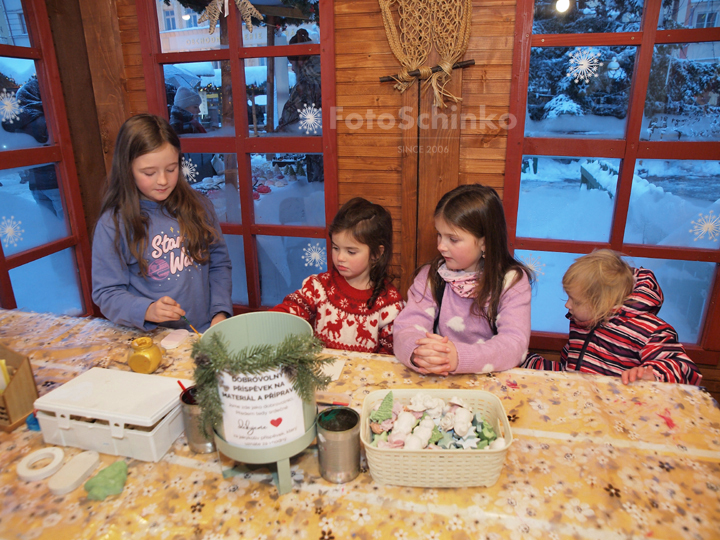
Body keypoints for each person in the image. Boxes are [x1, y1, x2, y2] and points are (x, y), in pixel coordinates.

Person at [92, 114, 232, 333]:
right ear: (127, 168)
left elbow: (219, 264)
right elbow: (107, 293)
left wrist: (220, 312)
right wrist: (146, 310)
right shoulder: (114, 224)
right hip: (150, 339)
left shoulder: (199, 206)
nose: (163, 180)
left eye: (171, 169)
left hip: (204, 331)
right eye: (149, 172)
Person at [393, 184, 533, 376]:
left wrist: (459, 357)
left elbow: (514, 344)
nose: (441, 246)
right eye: (439, 235)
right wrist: (419, 353)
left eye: (453, 239)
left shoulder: (512, 281)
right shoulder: (430, 276)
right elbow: (405, 329)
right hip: (439, 379)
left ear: (484, 242)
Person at [521, 250, 702, 385]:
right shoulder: (583, 323)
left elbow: (686, 370)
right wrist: (524, 360)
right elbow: (571, 373)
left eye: (575, 301)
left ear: (603, 303)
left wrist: (653, 375)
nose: (567, 305)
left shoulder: (648, 331)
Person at [270, 197, 404, 354]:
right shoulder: (318, 286)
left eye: (351, 251)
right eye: (335, 248)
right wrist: (270, 321)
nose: (340, 257)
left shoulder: (390, 304)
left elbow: (389, 356)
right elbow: (292, 310)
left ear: (376, 254)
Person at [1, 77, 63, 219]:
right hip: (56, 181)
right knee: (67, 223)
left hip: (36, 182)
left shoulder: (16, 122)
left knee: (52, 226)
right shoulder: (46, 119)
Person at [277, 28, 323, 183]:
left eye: (292, 62)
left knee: (320, 196)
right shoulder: (322, 75)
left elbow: (296, 120)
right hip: (324, 148)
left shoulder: (307, 83)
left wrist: (276, 133)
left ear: (300, 60)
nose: (292, 67)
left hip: (319, 151)